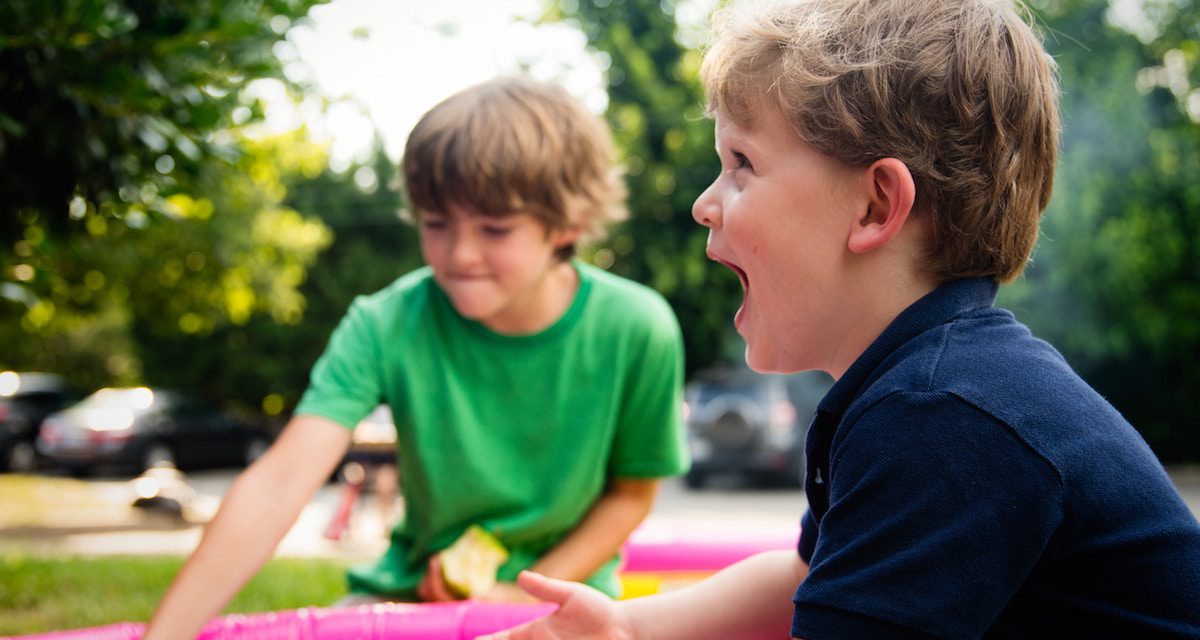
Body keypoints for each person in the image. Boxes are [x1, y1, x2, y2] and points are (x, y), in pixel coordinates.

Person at [479, 1, 1200, 638]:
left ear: (876, 206)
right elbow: (804, 580)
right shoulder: (920, 386)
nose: (704, 202)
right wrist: (632, 627)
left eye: (741, 164)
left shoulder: (945, 416)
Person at [142, 76, 689, 639]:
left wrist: (519, 593)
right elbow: (279, 484)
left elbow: (630, 495)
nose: (459, 254)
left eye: (495, 229)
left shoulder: (637, 327)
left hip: (566, 605)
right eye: (436, 224)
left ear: (567, 225)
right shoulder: (384, 323)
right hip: (408, 600)